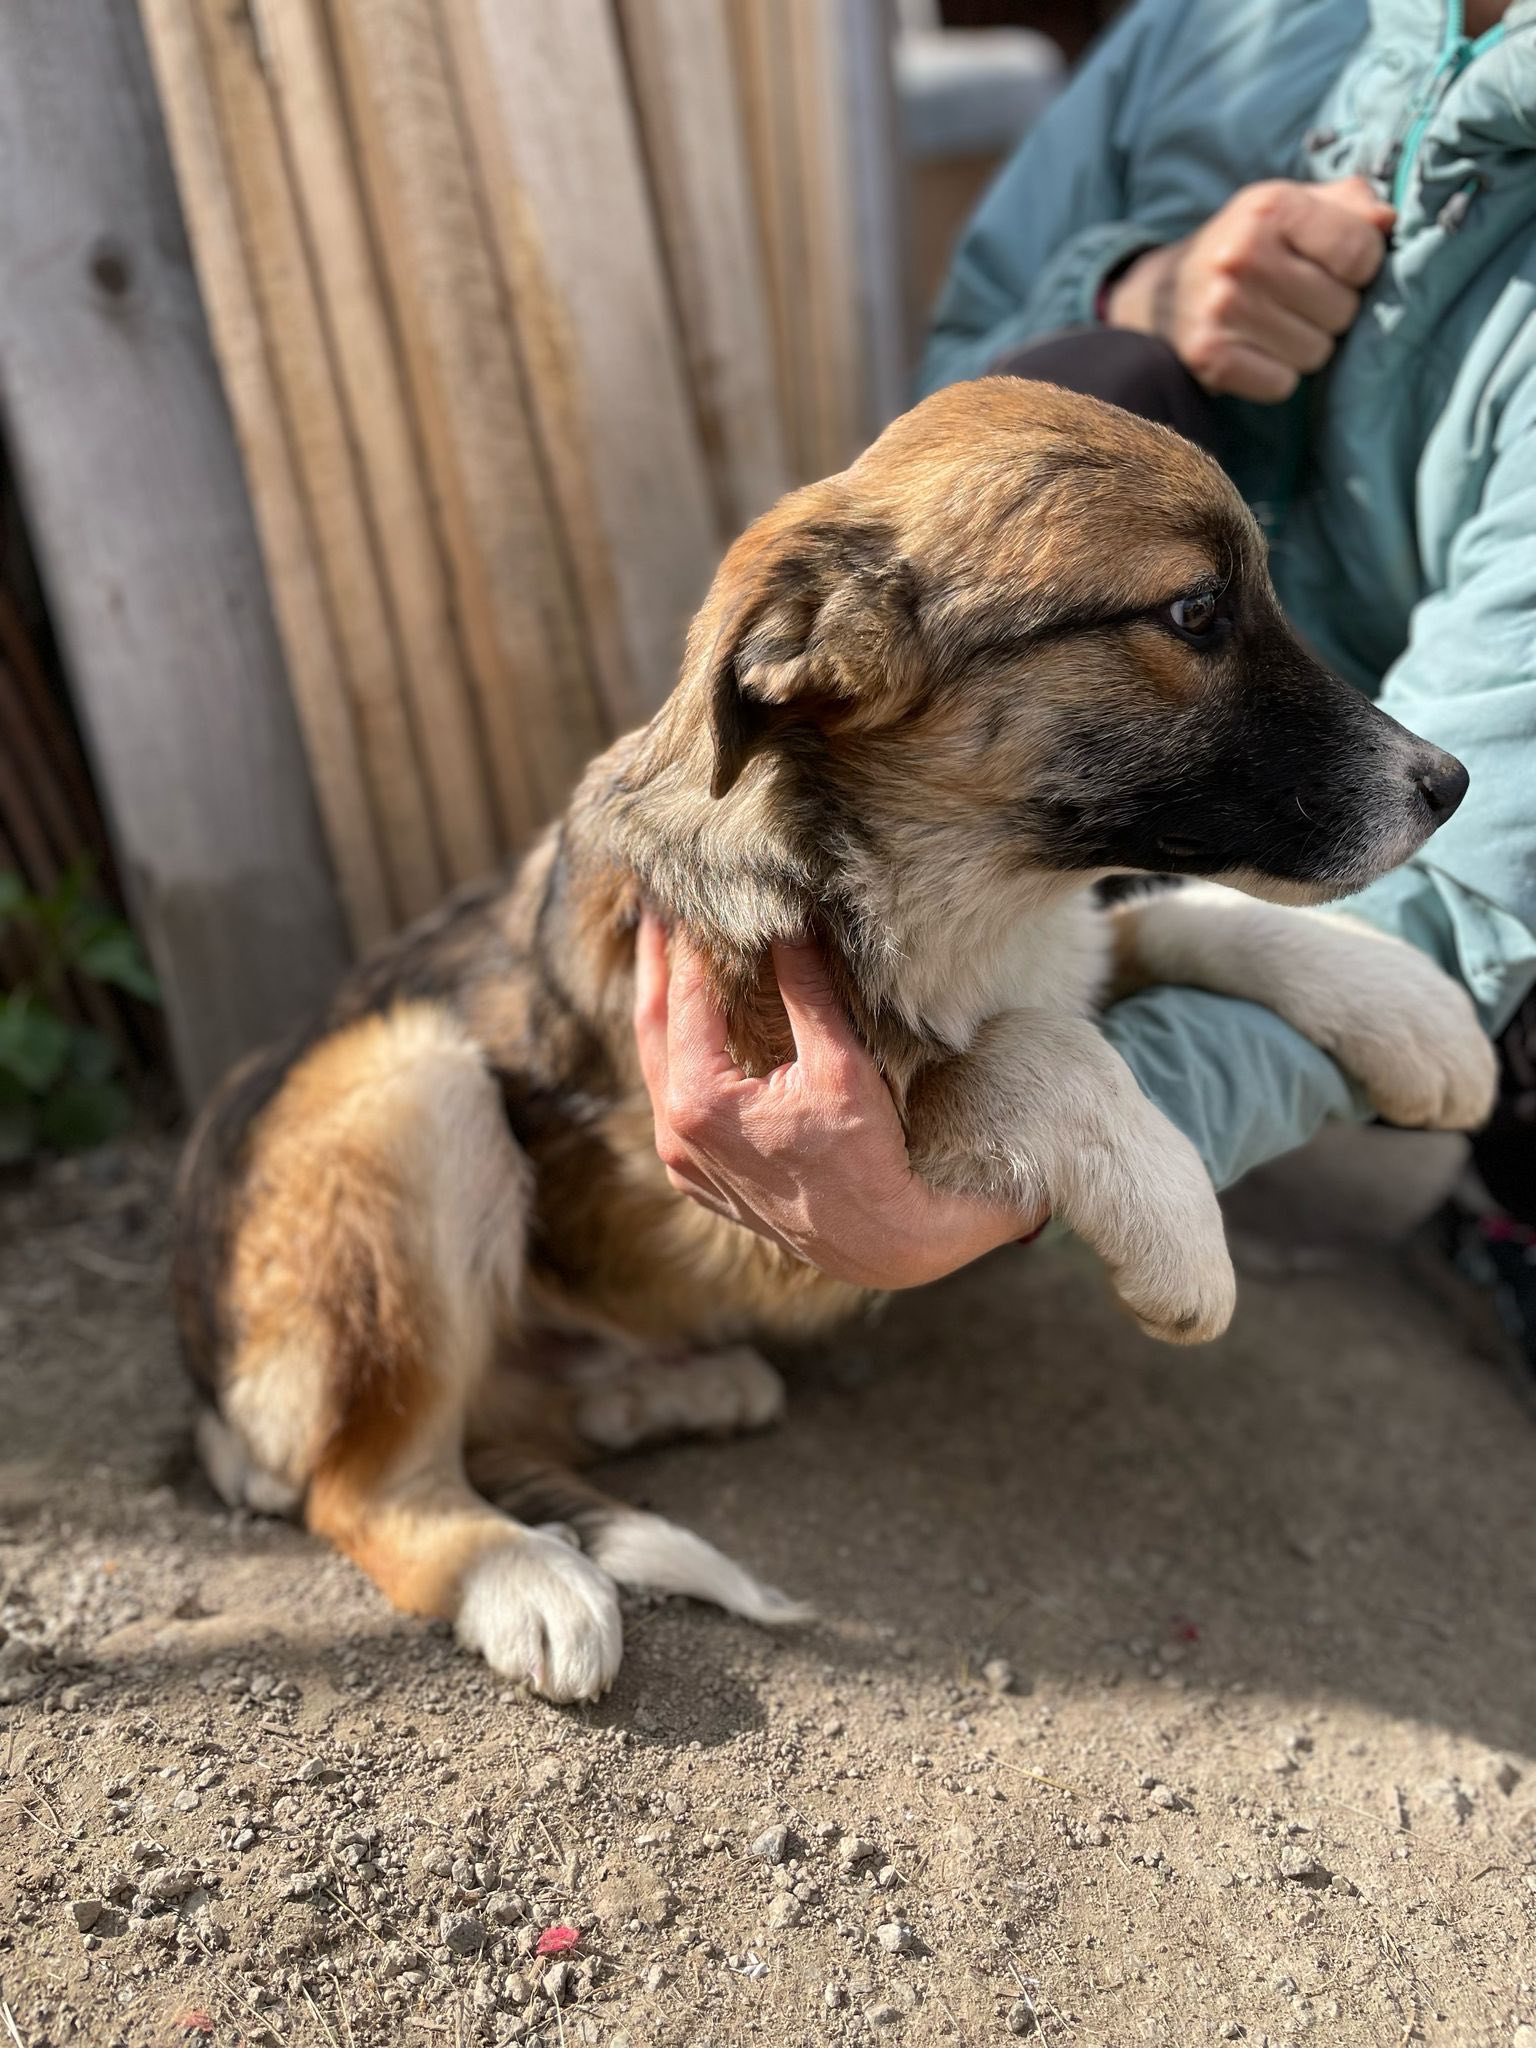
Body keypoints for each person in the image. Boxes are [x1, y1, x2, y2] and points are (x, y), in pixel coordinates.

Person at [635, 0, 1536, 1370]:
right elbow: (942, 456)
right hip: (1050, 759)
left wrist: (1093, 1135)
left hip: (1460, 772)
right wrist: (1131, 295)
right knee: (1101, 373)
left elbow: (1489, 854)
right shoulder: (1216, 22)